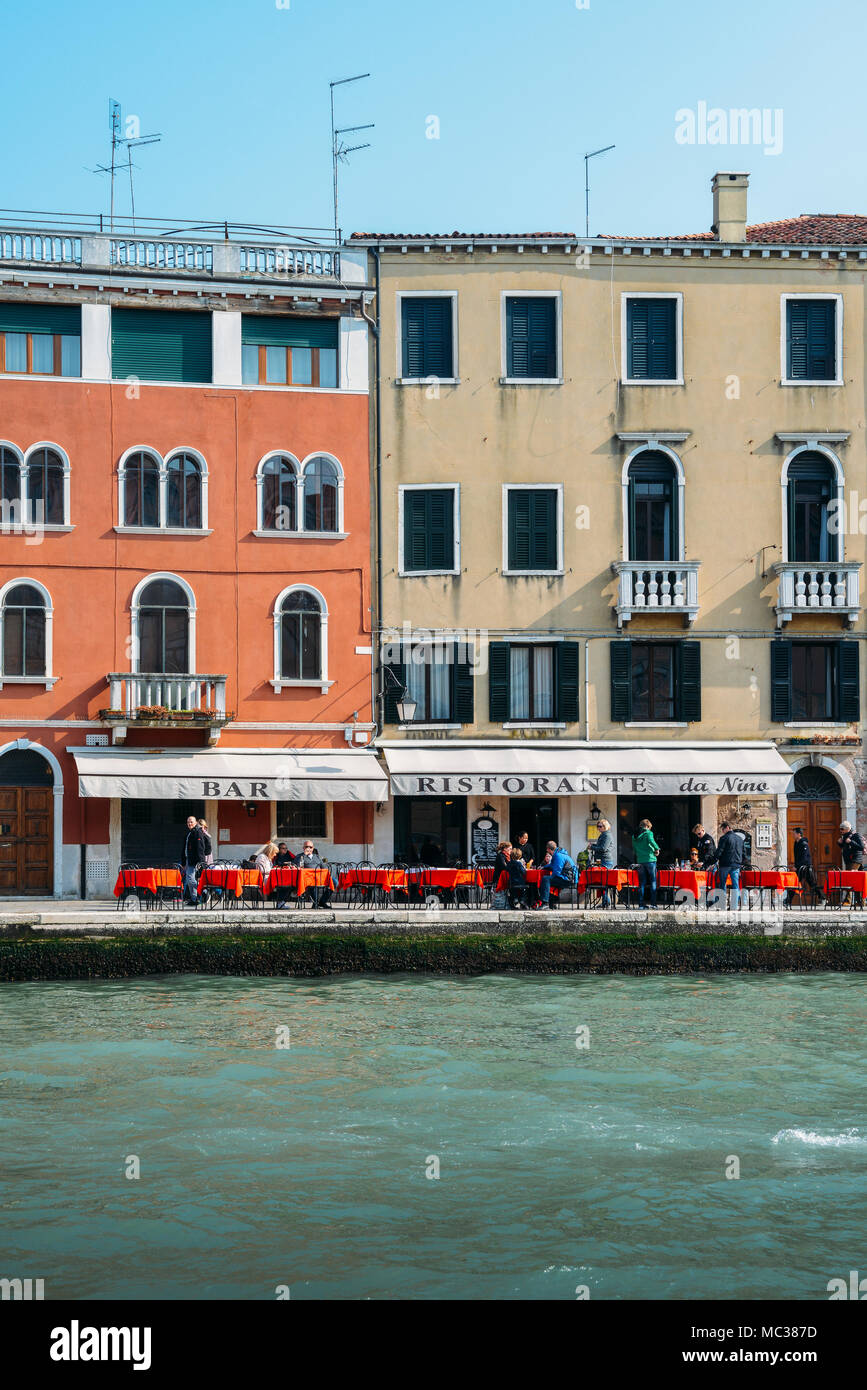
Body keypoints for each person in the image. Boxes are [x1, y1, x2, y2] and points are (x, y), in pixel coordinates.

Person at [714, 822, 744, 909]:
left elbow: (720, 851)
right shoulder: (739, 839)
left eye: (723, 829)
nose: (722, 831)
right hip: (736, 865)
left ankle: (722, 904)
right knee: (735, 885)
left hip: (725, 864)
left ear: (727, 827)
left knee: (723, 884)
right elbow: (743, 853)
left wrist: (714, 860)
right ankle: (734, 906)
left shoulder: (724, 838)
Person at [539, 840, 577, 908]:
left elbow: (557, 871)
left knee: (546, 879)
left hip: (568, 880)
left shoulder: (558, 855)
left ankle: (545, 903)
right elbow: (552, 865)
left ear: (548, 849)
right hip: (569, 878)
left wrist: (551, 877)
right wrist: (543, 867)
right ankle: (551, 903)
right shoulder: (560, 853)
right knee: (548, 879)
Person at [790, 827, 824, 905]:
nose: (793, 835)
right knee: (794, 883)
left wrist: (797, 866)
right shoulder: (796, 843)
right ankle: (788, 900)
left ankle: (822, 897)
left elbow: (804, 858)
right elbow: (797, 857)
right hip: (799, 868)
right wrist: (796, 865)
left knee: (812, 884)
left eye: (794, 833)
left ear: (799, 834)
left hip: (806, 868)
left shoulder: (803, 844)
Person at [295, 840, 332, 908]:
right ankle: (316, 902)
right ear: (303, 848)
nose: (308, 848)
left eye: (310, 847)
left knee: (335, 882)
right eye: (306, 847)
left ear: (313, 848)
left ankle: (322, 902)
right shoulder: (299, 856)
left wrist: (324, 863)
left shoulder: (317, 856)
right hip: (307, 878)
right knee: (313, 884)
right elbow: (296, 866)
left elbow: (324, 867)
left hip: (319, 877)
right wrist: (304, 855)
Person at [632, 818, 660, 908]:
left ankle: (640, 905)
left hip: (640, 860)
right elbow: (652, 842)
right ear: (647, 826)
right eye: (650, 828)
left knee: (642, 883)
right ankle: (653, 904)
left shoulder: (634, 835)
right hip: (650, 859)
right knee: (653, 881)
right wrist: (657, 849)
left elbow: (635, 848)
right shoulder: (648, 833)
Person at [837, 821, 866, 906]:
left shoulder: (855, 835)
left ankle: (848, 901)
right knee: (857, 881)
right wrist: (840, 843)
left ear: (847, 829)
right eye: (840, 829)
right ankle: (860, 902)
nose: (840, 831)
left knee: (849, 880)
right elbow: (846, 848)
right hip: (850, 861)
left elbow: (861, 847)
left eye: (842, 829)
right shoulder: (845, 836)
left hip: (855, 860)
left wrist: (850, 842)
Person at [181, 814, 207, 906]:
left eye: (191, 822)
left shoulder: (198, 832)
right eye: (188, 822)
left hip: (195, 861)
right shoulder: (190, 833)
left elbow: (201, 848)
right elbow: (185, 848)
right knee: (189, 880)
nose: (189, 823)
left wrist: (202, 862)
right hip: (189, 860)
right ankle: (194, 899)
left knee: (190, 879)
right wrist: (183, 862)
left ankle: (203, 891)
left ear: (196, 822)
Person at [594, 818, 616, 907]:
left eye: (600, 826)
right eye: (597, 826)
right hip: (601, 860)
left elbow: (603, 849)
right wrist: (594, 846)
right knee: (602, 882)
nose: (598, 828)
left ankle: (606, 902)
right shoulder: (603, 835)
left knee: (604, 881)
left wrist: (592, 848)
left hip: (606, 860)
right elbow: (601, 846)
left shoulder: (607, 835)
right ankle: (605, 902)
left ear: (605, 826)